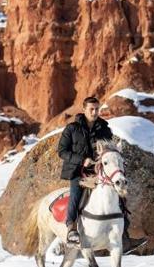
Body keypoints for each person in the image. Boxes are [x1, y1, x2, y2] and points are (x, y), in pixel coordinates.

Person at [57, 96, 146, 252]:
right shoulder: (72, 128)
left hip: (99, 171)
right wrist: (82, 160)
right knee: (76, 195)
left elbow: (109, 148)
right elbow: (62, 151)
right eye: (91, 109)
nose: (94, 112)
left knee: (118, 196)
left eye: (97, 109)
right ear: (84, 109)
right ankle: (71, 230)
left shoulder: (104, 128)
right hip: (78, 171)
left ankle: (124, 237)